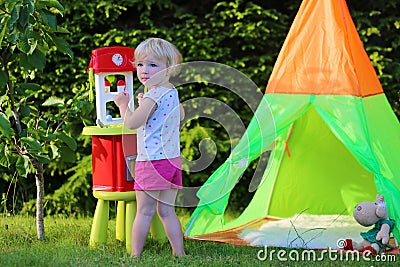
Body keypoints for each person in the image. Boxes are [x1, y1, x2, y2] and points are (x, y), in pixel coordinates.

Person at [114, 37, 186, 258]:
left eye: (153, 65)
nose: (144, 70)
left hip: (152, 162)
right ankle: (179, 253)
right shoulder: (171, 90)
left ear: (168, 69)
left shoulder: (153, 95)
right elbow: (181, 115)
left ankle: (135, 256)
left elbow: (132, 122)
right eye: (140, 64)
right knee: (167, 211)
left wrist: (123, 105)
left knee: (144, 212)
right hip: (172, 160)